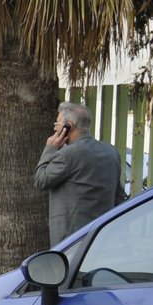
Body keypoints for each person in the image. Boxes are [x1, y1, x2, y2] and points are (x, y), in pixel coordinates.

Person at [34, 101, 125, 245]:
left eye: (56, 124)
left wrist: (49, 149)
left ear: (68, 126)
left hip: (71, 240)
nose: (55, 128)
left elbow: (41, 180)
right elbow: (119, 196)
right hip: (102, 237)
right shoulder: (111, 153)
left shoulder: (67, 155)